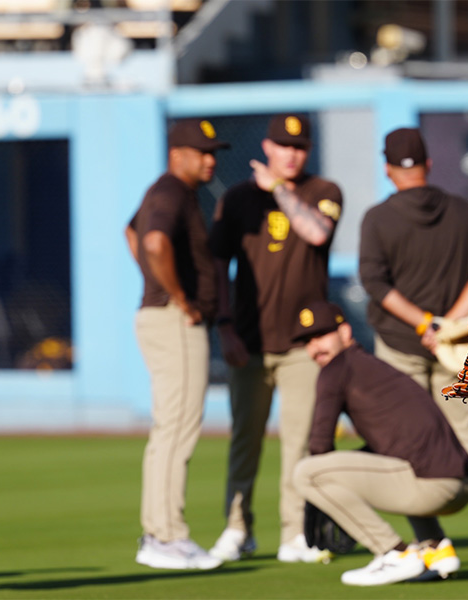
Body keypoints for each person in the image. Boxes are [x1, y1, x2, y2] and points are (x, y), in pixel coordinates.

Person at [359, 127, 468, 567]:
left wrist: (423, 322)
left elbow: (375, 284)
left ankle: (432, 540)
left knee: (405, 443)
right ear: (427, 164)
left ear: (389, 169)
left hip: (399, 344)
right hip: (453, 345)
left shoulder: (378, 217)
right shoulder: (462, 213)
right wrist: (446, 325)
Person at [207, 113, 343, 564]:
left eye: (299, 146)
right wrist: (223, 326)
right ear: (266, 147)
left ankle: (294, 534)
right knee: (244, 439)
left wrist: (280, 192)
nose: (291, 154)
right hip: (249, 340)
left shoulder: (323, 192)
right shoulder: (237, 198)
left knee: (299, 442)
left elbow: (317, 233)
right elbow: (216, 268)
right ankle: (237, 528)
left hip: (304, 343)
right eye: (283, 145)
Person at [292, 300, 468, 587]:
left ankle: (394, 553)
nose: (314, 347)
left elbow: (319, 447)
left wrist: (324, 502)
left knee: (307, 473)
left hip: (433, 486)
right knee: (390, 461)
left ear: (344, 331)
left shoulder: (336, 369)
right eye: (307, 341)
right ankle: (436, 549)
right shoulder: (371, 365)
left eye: (321, 335)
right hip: (460, 484)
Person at [125, 118, 228, 570]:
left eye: (213, 152)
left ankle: (159, 533)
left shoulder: (165, 191)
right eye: (202, 152)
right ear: (177, 154)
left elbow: (131, 233)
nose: (210, 160)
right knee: (177, 429)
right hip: (173, 319)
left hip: (160, 315)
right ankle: (166, 536)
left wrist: (155, 283)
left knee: (170, 428)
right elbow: (150, 241)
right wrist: (177, 294)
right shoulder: (171, 191)